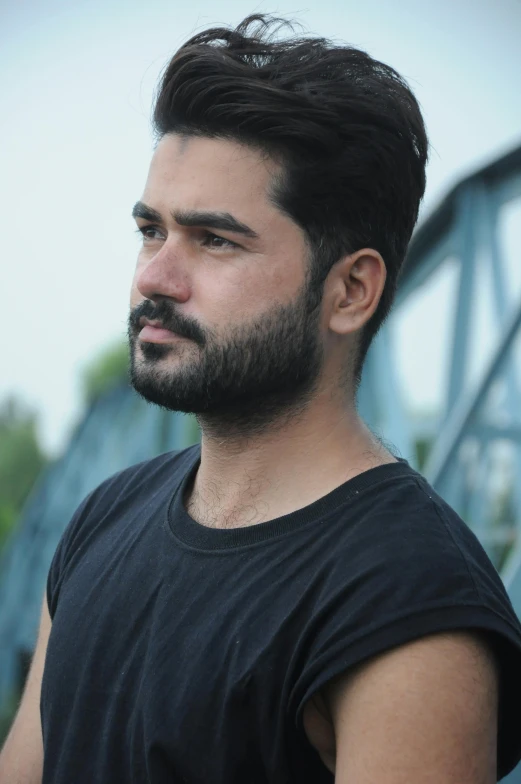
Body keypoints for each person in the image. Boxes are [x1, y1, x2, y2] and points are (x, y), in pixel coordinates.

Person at [2, 14, 521, 784]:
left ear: (349, 290)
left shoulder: (408, 605)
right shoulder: (102, 516)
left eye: (214, 240)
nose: (154, 278)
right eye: (152, 230)